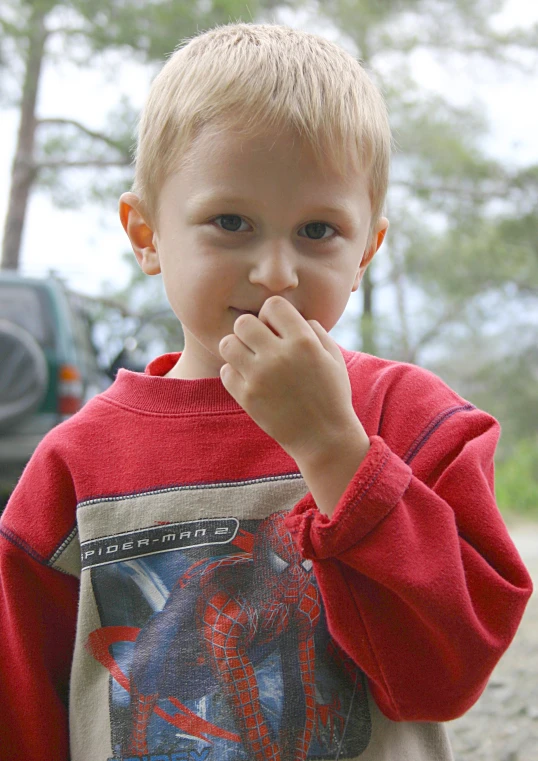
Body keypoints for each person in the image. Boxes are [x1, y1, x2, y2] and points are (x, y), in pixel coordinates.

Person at [0, 21, 532, 761]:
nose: (277, 271)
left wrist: (335, 449)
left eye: (318, 229)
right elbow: (23, 711)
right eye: (231, 222)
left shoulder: (416, 422)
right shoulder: (74, 466)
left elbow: (449, 671)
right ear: (146, 233)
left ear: (366, 251)